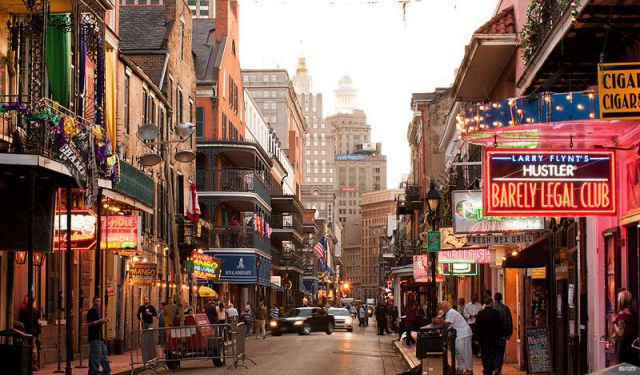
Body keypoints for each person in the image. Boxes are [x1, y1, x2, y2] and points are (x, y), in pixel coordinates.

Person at [434, 301, 473, 374]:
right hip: (459, 334)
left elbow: (446, 324)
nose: (441, 310)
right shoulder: (449, 313)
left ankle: (469, 369)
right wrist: (439, 320)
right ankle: (461, 368)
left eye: (441, 308)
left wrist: (440, 319)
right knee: (458, 352)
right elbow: (448, 324)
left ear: (444, 307)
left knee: (465, 352)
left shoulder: (451, 312)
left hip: (464, 334)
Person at [476, 297, 504, 375]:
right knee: (493, 355)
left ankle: (486, 369)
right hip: (493, 339)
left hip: (483, 339)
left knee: (485, 355)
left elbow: (477, 327)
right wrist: (500, 337)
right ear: (491, 303)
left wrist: (477, 338)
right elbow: (499, 326)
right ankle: (490, 368)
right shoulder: (496, 313)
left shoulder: (480, 313)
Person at [613, 291, 640, 366]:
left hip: (625, 347)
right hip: (634, 346)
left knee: (624, 369)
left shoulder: (623, 316)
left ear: (621, 302)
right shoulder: (634, 314)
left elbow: (620, 333)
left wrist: (614, 322)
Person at [87, 297, 111, 375]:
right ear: (93, 302)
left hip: (100, 337)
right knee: (95, 355)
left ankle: (106, 371)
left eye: (99, 301)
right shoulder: (91, 312)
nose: (98, 303)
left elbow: (98, 323)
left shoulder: (98, 312)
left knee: (104, 354)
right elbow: (90, 323)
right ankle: (93, 372)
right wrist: (101, 321)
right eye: (96, 301)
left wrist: (103, 321)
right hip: (94, 337)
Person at [18, 295, 41, 370]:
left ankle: (28, 363)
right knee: (33, 348)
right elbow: (36, 323)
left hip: (25, 332)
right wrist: (37, 331)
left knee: (27, 347)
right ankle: (33, 364)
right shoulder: (33, 311)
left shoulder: (23, 309)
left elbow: (20, 321)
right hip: (31, 332)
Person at [493, 292, 513, 374]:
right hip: (502, 334)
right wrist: (509, 333)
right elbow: (509, 321)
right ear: (501, 298)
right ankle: (498, 367)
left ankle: (495, 367)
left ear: (494, 298)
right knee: (500, 352)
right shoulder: (505, 308)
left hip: (492, 334)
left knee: (493, 351)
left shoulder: (491, 307)